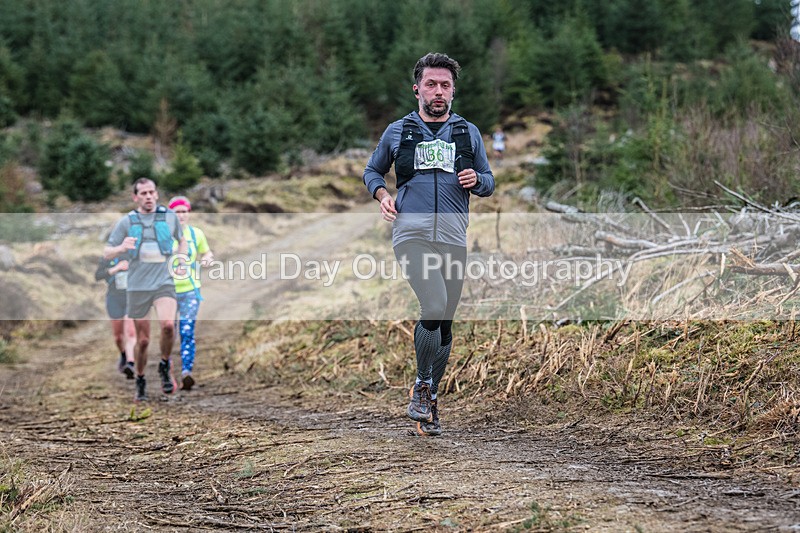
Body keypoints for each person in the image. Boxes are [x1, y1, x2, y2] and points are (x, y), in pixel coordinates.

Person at [363, 52, 495, 436]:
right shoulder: (398, 131)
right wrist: (382, 195)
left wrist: (478, 181)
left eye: (446, 85)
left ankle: (430, 398)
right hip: (412, 232)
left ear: (453, 91)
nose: (439, 91)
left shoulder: (467, 132)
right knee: (433, 305)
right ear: (417, 88)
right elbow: (373, 170)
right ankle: (422, 386)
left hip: (453, 236)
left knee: (445, 325)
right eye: (432, 84)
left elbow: (488, 179)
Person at [103, 178, 187, 402]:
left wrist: (181, 258)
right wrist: (122, 247)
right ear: (135, 197)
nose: (148, 196)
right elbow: (107, 253)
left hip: (164, 282)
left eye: (151, 192)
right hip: (138, 287)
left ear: (157, 194)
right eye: (143, 193)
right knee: (143, 341)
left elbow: (183, 239)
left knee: (169, 326)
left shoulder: (169, 217)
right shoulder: (126, 222)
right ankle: (140, 378)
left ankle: (164, 365)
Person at [167, 196, 214, 391]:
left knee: (187, 331)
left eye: (184, 211)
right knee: (168, 331)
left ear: (189, 213)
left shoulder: (196, 234)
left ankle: (186, 372)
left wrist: (208, 259)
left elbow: (206, 252)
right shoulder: (163, 236)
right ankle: (167, 371)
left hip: (190, 290)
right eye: (177, 212)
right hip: (166, 291)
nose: (181, 215)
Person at [94, 255, 137, 379]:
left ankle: (130, 363)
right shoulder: (108, 256)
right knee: (118, 337)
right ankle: (123, 354)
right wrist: (116, 268)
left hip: (131, 297)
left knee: (130, 332)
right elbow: (97, 276)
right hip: (114, 298)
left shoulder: (135, 253)